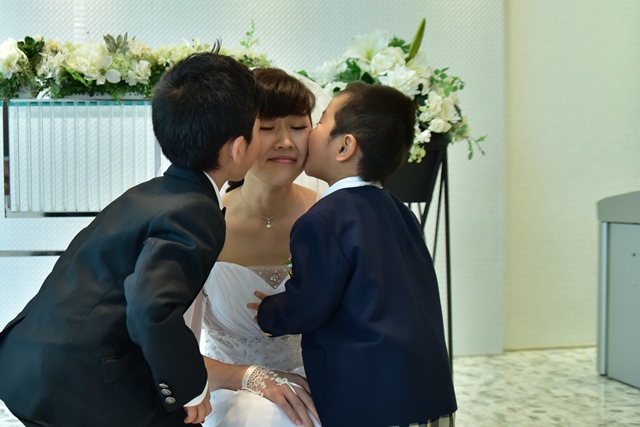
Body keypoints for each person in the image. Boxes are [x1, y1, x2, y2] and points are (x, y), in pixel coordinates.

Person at [0, 49, 262, 427]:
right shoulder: (196, 210)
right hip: (78, 381)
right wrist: (191, 388)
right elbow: (150, 308)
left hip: (29, 362)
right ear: (238, 148)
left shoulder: (149, 193)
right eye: (259, 130)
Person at [251, 82, 458, 426]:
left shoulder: (323, 218)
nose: (310, 132)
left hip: (368, 393)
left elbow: (310, 302)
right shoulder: (399, 210)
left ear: (345, 146)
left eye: (320, 122)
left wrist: (270, 313)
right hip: (425, 386)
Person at [187, 67, 326, 427]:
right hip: (228, 391)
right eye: (267, 128)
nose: (286, 142)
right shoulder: (202, 223)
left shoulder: (330, 216)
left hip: (318, 384)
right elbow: (170, 351)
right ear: (237, 138)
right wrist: (253, 378)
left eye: (298, 126)